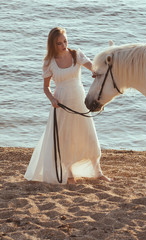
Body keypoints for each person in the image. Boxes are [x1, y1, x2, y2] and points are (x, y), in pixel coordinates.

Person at [24, 27, 111, 184]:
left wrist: (97, 71)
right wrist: (52, 100)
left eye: (65, 41)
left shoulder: (75, 54)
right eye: (59, 43)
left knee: (89, 135)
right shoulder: (49, 62)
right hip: (61, 103)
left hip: (79, 100)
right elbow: (45, 87)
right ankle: (70, 175)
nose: (64, 45)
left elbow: (94, 68)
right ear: (53, 45)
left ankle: (98, 172)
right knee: (66, 139)